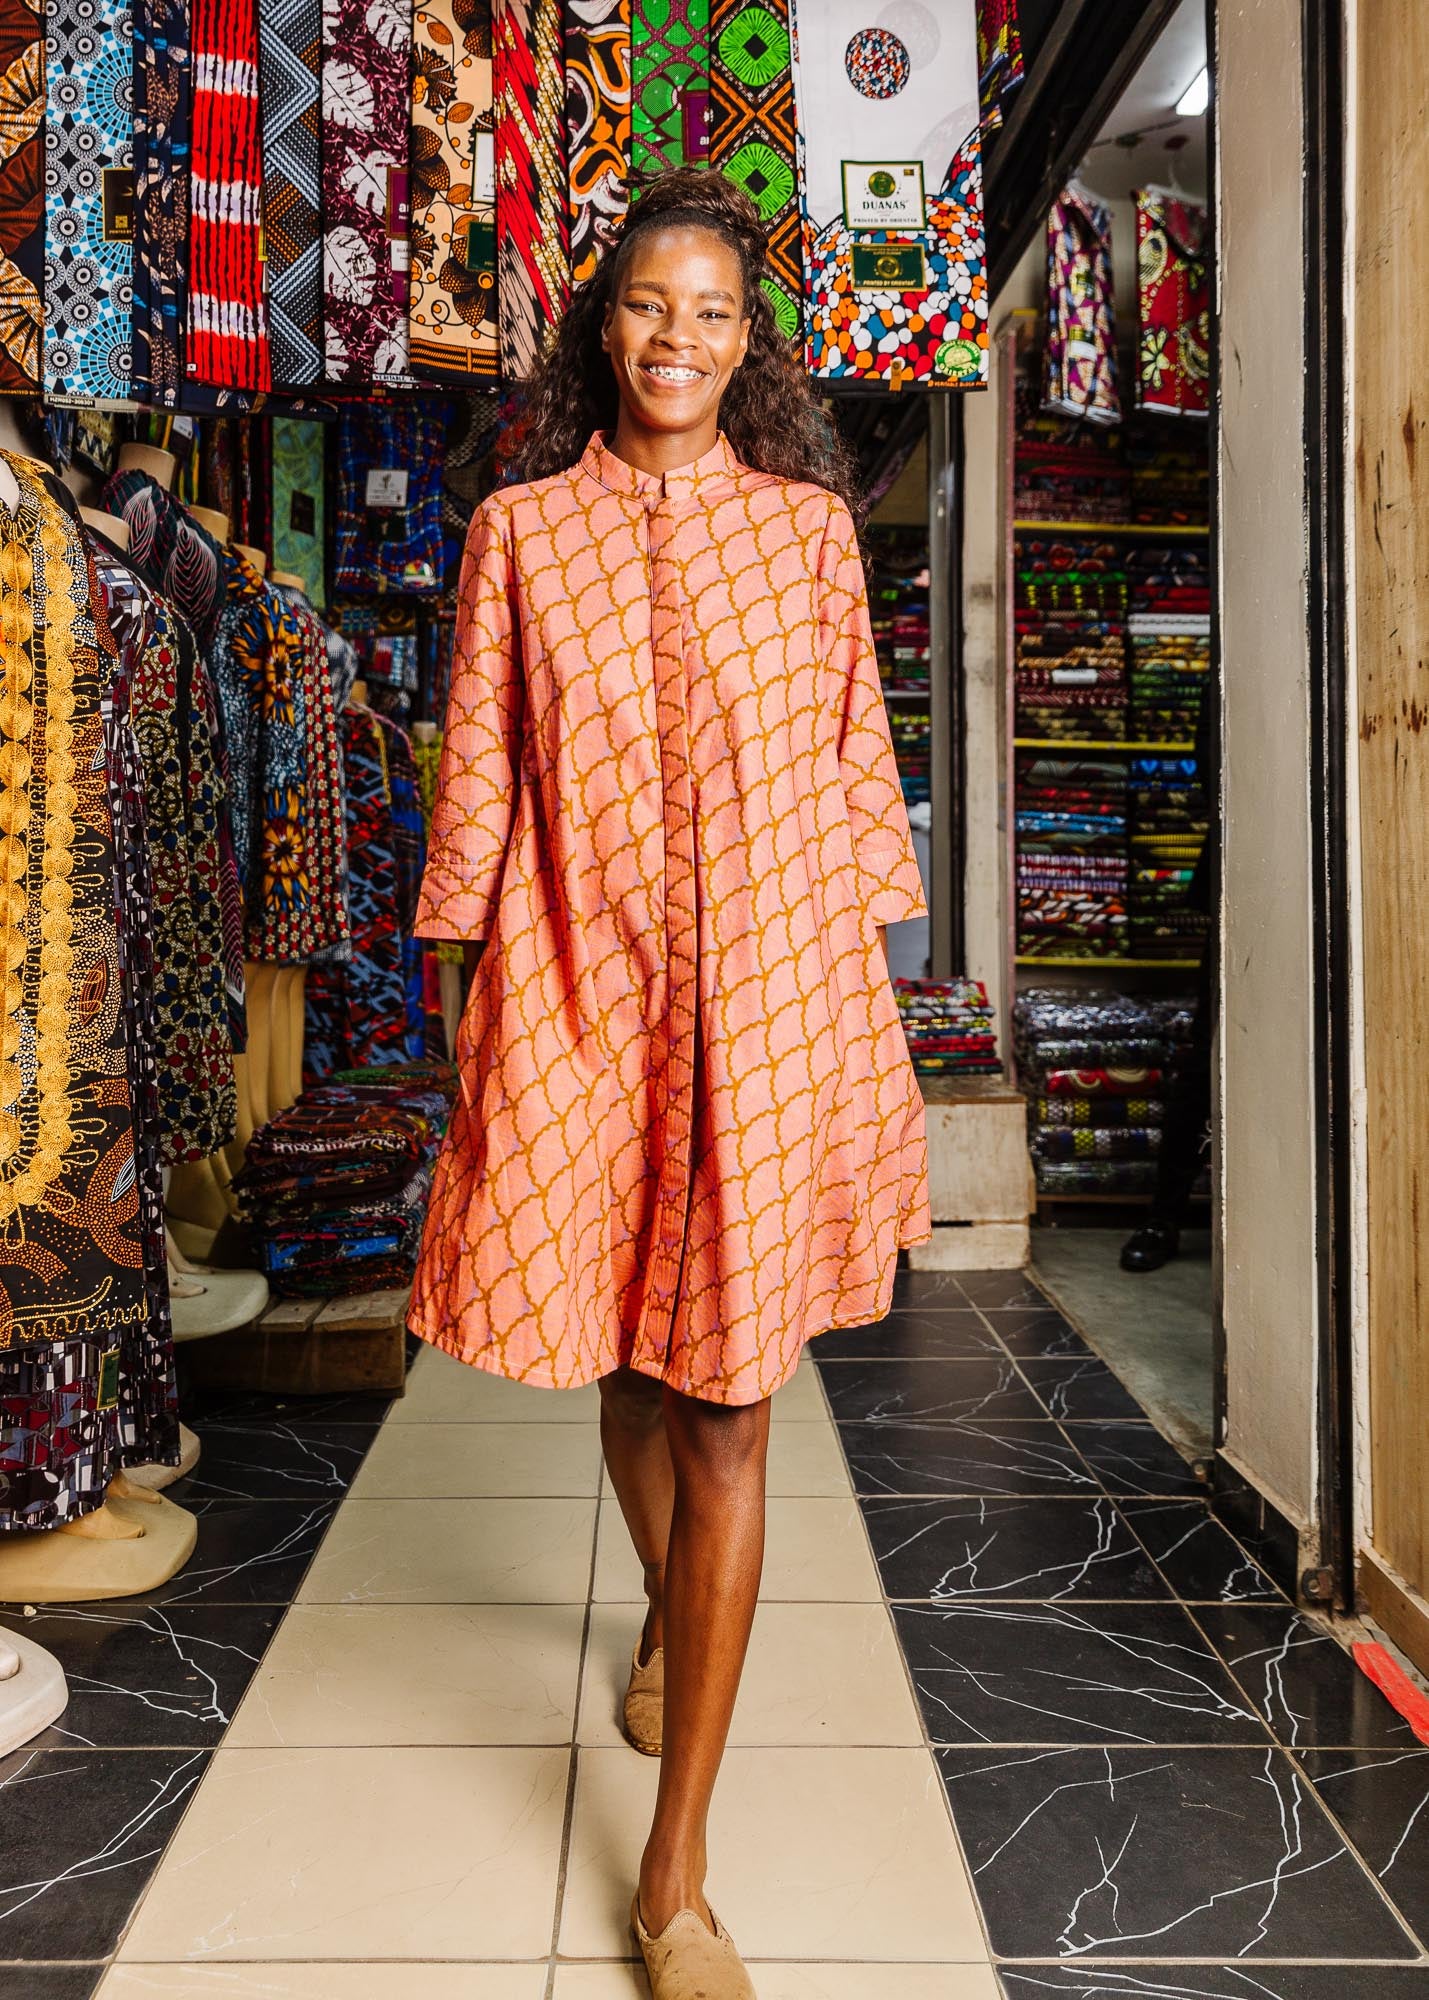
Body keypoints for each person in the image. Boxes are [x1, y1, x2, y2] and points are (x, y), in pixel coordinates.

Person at [409, 168, 930, 1996]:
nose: (678, 343)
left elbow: (860, 780)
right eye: (648, 307)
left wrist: (862, 1032)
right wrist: (470, 1000)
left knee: (725, 1402)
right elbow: (478, 772)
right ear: (598, 323)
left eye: (713, 313)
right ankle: (666, 1609)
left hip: (775, 1008)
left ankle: (677, 1874)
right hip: (580, 999)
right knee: (624, 1374)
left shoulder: (805, 535)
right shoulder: (520, 537)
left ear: (745, 341)